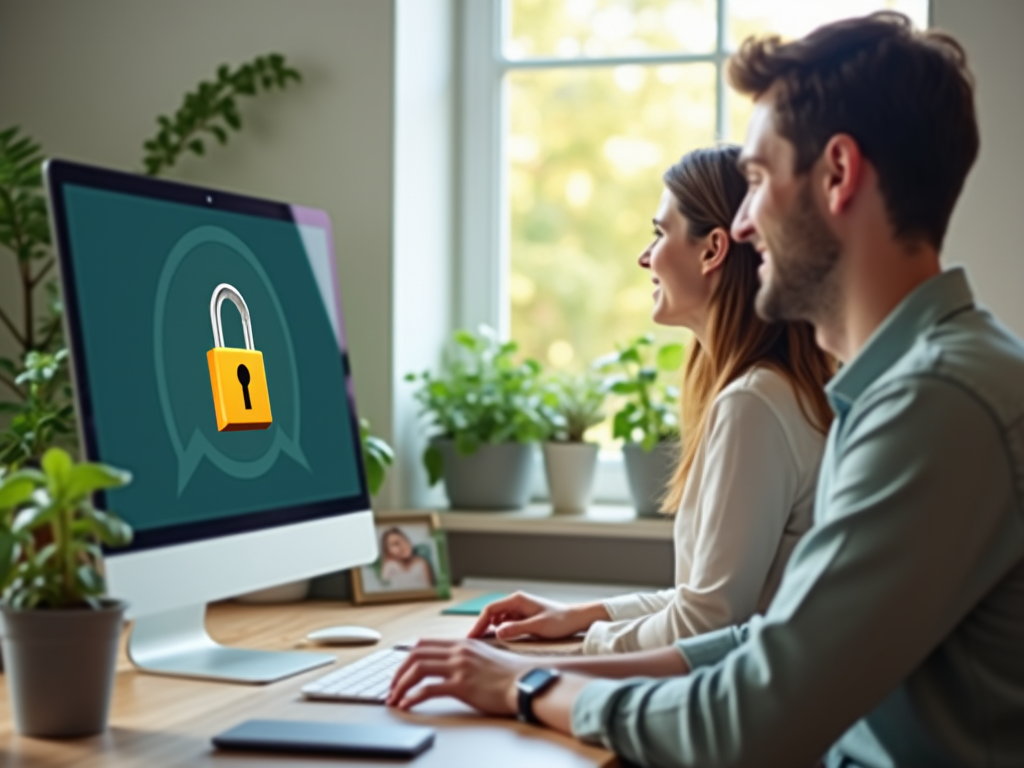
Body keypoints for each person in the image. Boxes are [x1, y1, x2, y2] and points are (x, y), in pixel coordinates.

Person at [387, 12, 1024, 767]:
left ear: (839, 175)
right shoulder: (897, 388)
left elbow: (750, 720)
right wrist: (551, 666)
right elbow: (775, 638)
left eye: (755, 180)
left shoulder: (938, 404)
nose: (744, 226)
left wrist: (530, 692)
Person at [469, 145, 833, 655]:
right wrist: (576, 616)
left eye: (660, 233)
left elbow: (707, 623)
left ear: (712, 250)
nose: (645, 257)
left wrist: (578, 650)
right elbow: (705, 599)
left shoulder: (753, 404)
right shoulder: (772, 390)